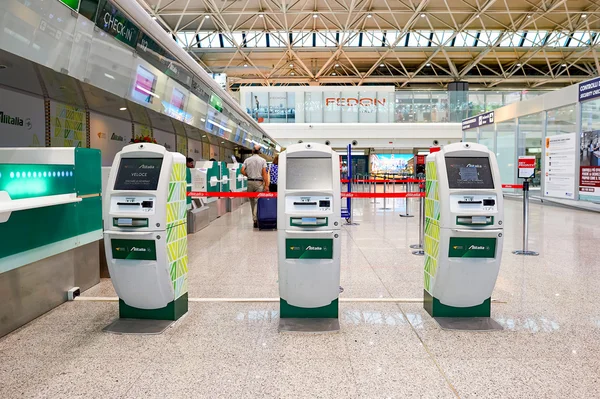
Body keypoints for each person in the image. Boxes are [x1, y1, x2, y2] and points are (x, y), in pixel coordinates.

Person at [242, 145, 269, 228]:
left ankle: (254, 218)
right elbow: (264, 173)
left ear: (252, 151)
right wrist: (266, 185)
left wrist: (248, 175)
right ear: (260, 152)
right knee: (257, 201)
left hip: (249, 182)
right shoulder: (263, 160)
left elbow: (242, 170)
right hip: (259, 183)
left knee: (252, 202)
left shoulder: (247, 160)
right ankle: (255, 219)